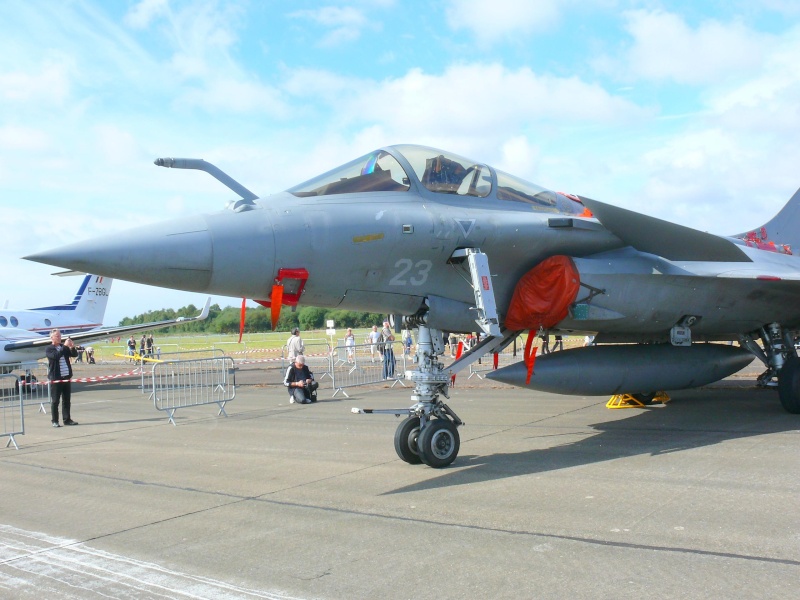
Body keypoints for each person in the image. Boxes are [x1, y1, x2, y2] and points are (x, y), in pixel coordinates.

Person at [45, 329, 79, 427]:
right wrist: (64, 346)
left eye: (60, 336)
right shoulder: (49, 349)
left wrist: (72, 347)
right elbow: (56, 356)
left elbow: (74, 355)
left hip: (66, 377)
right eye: (57, 336)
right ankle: (55, 421)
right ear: (52, 337)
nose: (59, 338)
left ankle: (67, 419)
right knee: (55, 401)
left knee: (67, 400)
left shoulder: (63, 348)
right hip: (56, 378)